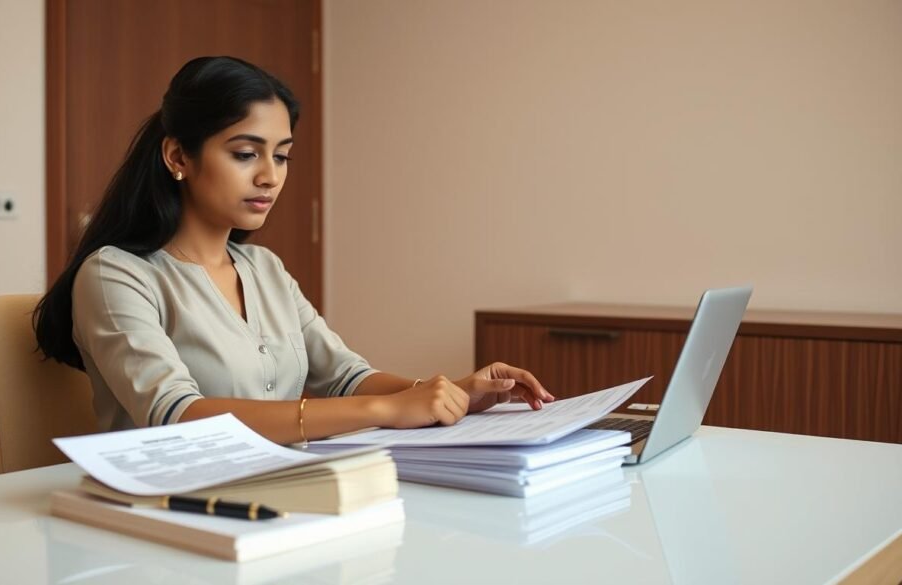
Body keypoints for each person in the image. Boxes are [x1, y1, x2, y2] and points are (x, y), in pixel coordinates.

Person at [35, 56, 554, 445]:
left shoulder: (265, 268)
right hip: (170, 511)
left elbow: (345, 376)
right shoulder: (115, 275)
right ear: (178, 157)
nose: (270, 176)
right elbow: (176, 416)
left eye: (281, 156)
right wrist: (388, 411)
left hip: (282, 492)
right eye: (245, 154)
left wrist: (457, 392)